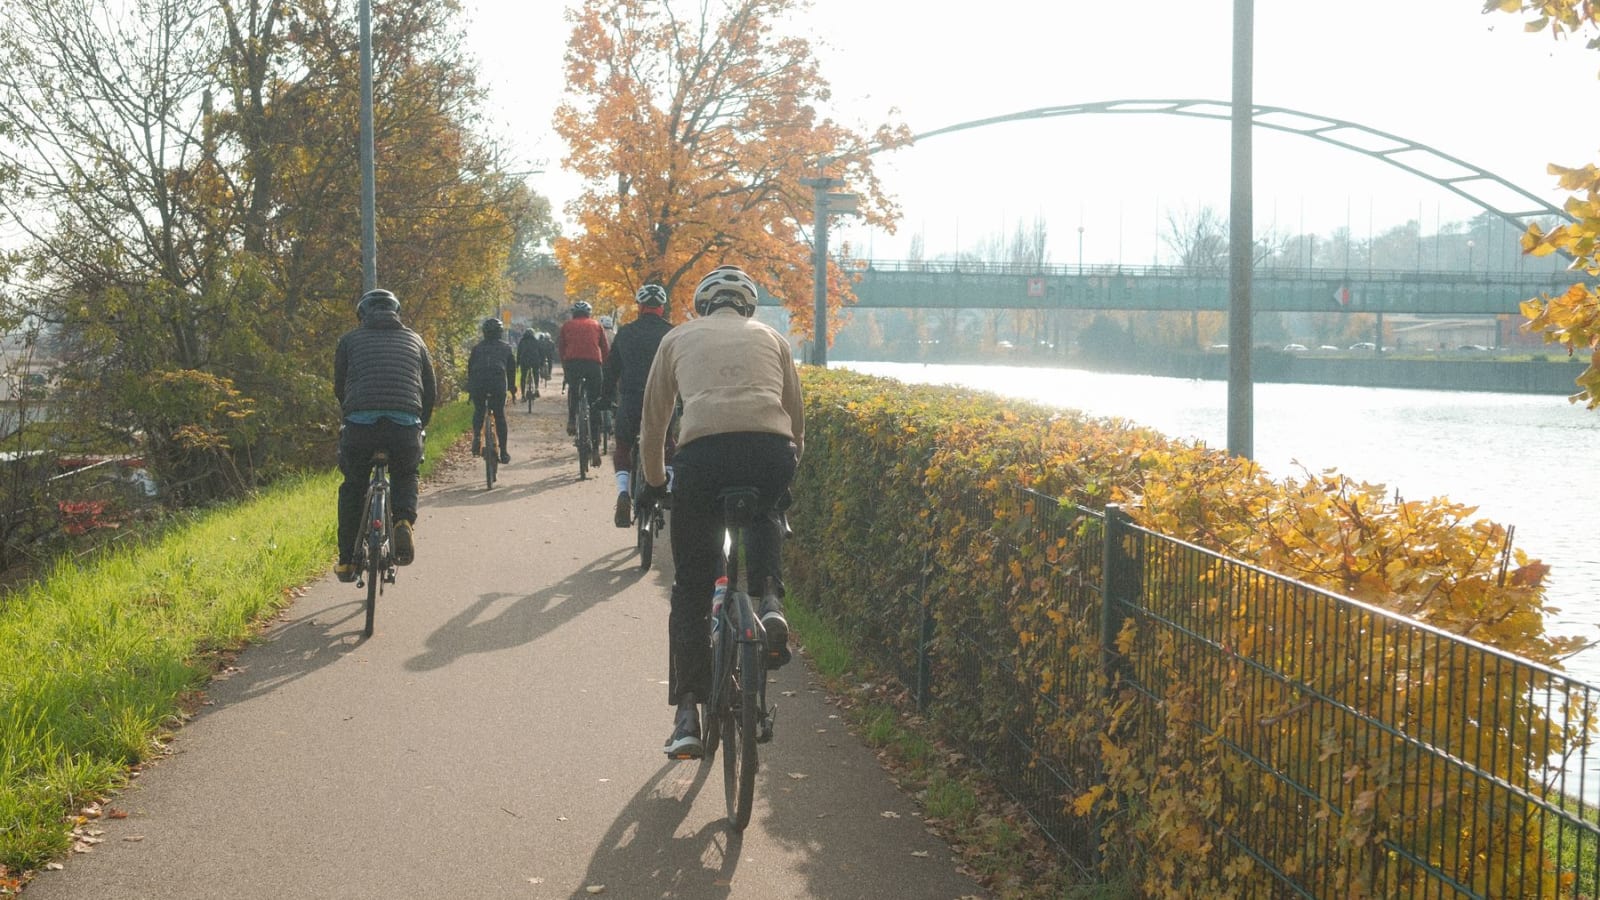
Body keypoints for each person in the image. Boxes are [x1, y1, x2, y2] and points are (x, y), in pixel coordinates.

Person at [636, 265, 804, 758]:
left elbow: (654, 422)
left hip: (703, 457)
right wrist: (785, 478)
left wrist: (653, 483)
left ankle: (688, 713)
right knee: (765, 514)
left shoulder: (677, 338)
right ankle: (770, 604)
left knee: (692, 585)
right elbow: (796, 422)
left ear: (702, 306)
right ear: (747, 306)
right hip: (770, 452)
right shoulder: (773, 338)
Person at [332, 289, 437, 582]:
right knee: (405, 472)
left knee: (353, 486)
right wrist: (420, 423)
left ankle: (346, 562)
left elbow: (340, 386)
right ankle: (403, 519)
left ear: (362, 315)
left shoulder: (349, 340)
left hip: (360, 426)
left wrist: (351, 412)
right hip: (404, 425)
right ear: (396, 313)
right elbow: (430, 389)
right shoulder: (415, 340)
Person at [599, 284, 674, 528]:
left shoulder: (626, 333)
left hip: (631, 398)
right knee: (667, 442)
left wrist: (605, 397)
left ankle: (623, 492)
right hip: (662, 401)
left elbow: (611, 370)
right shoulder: (672, 334)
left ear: (639, 307)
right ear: (661, 308)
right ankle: (669, 489)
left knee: (623, 444)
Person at [557, 300, 609, 466]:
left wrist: (565, 367)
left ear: (574, 314)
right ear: (589, 313)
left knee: (573, 390)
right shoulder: (596, 325)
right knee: (594, 404)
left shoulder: (566, 326)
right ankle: (595, 449)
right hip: (593, 365)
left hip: (573, 364)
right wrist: (605, 368)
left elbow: (561, 348)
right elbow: (605, 349)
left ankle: (572, 420)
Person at [466, 316, 516, 463]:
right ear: (500, 332)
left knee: (479, 410)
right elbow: (511, 371)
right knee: (499, 415)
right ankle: (504, 452)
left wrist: (470, 390)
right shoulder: (506, 348)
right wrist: (512, 389)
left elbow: (470, 370)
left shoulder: (476, 349)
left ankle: (476, 437)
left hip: (478, 384)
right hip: (497, 384)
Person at [516, 327, 547, 399]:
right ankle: (536, 389)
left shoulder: (522, 341)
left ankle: (523, 394)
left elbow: (518, 353)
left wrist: (517, 364)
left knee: (523, 376)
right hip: (535, 361)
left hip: (524, 361)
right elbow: (541, 353)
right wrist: (542, 363)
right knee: (536, 373)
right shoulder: (536, 341)